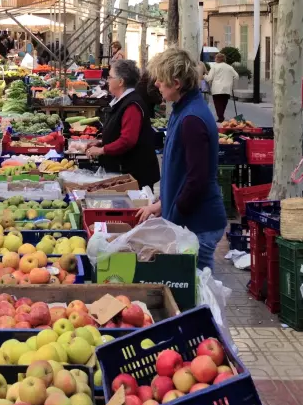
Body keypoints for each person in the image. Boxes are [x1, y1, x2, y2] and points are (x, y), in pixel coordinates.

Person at [137, 47, 227, 271]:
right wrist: (162, 205)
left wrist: (173, 215)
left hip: (199, 223)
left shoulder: (192, 119)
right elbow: (182, 171)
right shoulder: (183, 110)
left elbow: (197, 179)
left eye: (160, 79)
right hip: (193, 220)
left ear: (176, 83)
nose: (157, 84)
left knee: (198, 293)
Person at [85, 59, 160, 190]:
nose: (107, 80)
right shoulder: (122, 101)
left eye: (110, 77)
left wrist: (102, 150)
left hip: (135, 176)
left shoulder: (132, 105)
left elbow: (127, 140)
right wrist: (102, 142)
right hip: (125, 171)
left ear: (121, 82)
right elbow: (118, 131)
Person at [207, 53, 240, 122]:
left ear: (217, 59)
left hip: (217, 88)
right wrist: (232, 83)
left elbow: (209, 78)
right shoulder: (229, 67)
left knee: (217, 103)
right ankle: (221, 116)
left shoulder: (214, 67)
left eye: (216, 58)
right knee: (223, 103)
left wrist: (204, 76)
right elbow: (236, 76)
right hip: (227, 88)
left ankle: (220, 117)